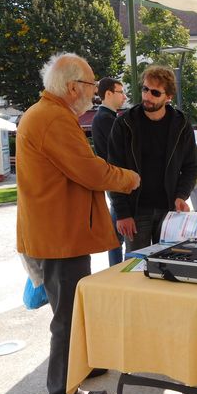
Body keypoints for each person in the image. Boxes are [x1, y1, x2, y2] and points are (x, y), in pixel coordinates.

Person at [16, 53, 141, 394]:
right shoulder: (53, 119)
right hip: (60, 237)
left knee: (70, 316)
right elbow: (91, 171)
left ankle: (71, 384)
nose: (94, 92)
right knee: (67, 320)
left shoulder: (49, 114)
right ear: (72, 87)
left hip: (61, 234)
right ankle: (61, 393)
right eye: (89, 84)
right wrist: (131, 178)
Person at [108, 65, 197, 252]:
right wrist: (122, 213)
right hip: (135, 211)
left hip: (170, 212)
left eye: (155, 93)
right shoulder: (124, 123)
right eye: (145, 89)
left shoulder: (181, 124)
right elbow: (113, 171)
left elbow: (192, 166)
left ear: (168, 97)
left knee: (168, 266)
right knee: (135, 270)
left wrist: (181, 195)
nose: (147, 96)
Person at [91, 77, 127, 266]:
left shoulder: (108, 117)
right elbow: (120, 152)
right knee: (120, 236)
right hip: (117, 181)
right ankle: (118, 273)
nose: (125, 97)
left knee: (118, 235)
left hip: (116, 180)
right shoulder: (105, 118)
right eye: (121, 92)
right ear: (109, 94)